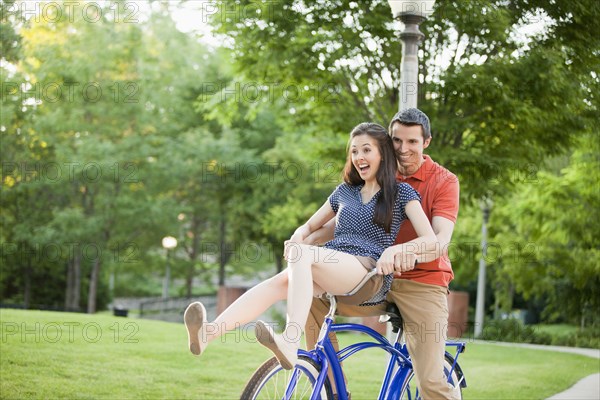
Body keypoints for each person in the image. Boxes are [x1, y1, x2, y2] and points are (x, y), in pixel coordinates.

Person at [184, 122, 439, 370]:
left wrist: (397, 251)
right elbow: (308, 228)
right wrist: (297, 236)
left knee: (303, 255)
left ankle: (290, 341)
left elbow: (430, 240)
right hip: (335, 265)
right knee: (277, 283)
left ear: (382, 154)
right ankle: (209, 333)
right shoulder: (344, 192)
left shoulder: (401, 193)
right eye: (354, 151)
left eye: (366, 150)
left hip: (369, 273)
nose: (359, 156)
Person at [304, 108, 460, 399]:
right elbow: (346, 221)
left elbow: (439, 240)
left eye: (412, 142)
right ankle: (334, 389)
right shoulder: (378, 174)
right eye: (397, 141)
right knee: (313, 298)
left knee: (430, 382)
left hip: (423, 283)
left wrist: (401, 249)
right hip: (374, 277)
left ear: (426, 142)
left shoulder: (444, 181)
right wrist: (306, 240)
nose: (403, 149)